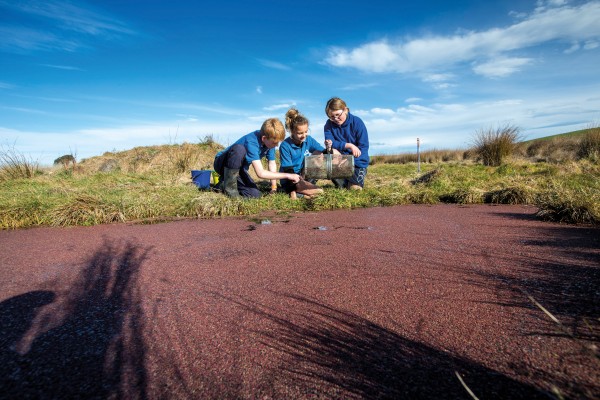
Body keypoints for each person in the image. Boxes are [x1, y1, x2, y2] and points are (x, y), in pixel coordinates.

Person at [213, 118, 300, 198]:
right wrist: (288, 175)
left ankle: (222, 185)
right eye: (275, 143)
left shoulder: (269, 143)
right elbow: (260, 173)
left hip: (239, 169)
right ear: (264, 138)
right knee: (239, 149)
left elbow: (272, 163)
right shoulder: (251, 141)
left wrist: (273, 187)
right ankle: (230, 189)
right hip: (222, 163)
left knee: (255, 195)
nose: (276, 145)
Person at [323, 97, 370, 190]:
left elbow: (363, 148)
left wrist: (349, 161)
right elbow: (331, 144)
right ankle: (341, 182)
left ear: (346, 110)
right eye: (332, 117)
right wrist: (349, 145)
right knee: (327, 152)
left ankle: (350, 181)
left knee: (354, 189)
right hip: (339, 160)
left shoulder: (357, 122)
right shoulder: (328, 125)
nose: (335, 119)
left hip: (356, 163)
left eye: (338, 115)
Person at [279, 108, 324, 199]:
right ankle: (293, 191)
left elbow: (323, 151)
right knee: (319, 192)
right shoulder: (285, 145)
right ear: (292, 131)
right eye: (300, 133)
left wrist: (329, 148)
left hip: (303, 176)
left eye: (306, 132)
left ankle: (304, 192)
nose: (304, 135)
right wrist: (293, 189)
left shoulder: (309, 139)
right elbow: (288, 171)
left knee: (319, 155)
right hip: (290, 179)